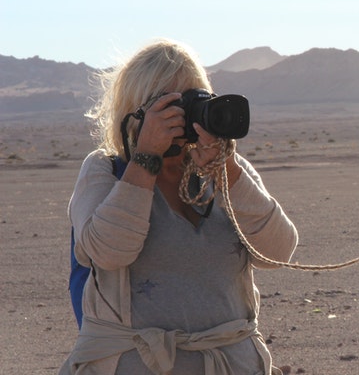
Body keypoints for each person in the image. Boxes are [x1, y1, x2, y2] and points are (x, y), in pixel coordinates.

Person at [59, 39, 298, 375]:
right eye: (170, 104)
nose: (183, 117)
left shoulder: (224, 172)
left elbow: (278, 251)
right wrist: (144, 160)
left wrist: (227, 170)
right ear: (136, 110)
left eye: (193, 101)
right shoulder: (105, 171)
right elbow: (110, 251)